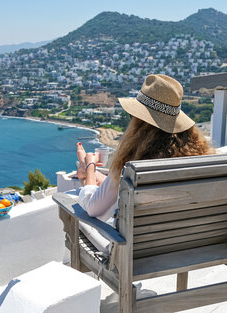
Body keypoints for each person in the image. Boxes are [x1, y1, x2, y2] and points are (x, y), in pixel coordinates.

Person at [75, 74, 214, 225]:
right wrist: (96, 175)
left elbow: (93, 207)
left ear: (139, 123)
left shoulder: (132, 165)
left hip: (138, 247)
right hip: (193, 242)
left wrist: (89, 167)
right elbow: (118, 185)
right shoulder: (199, 161)